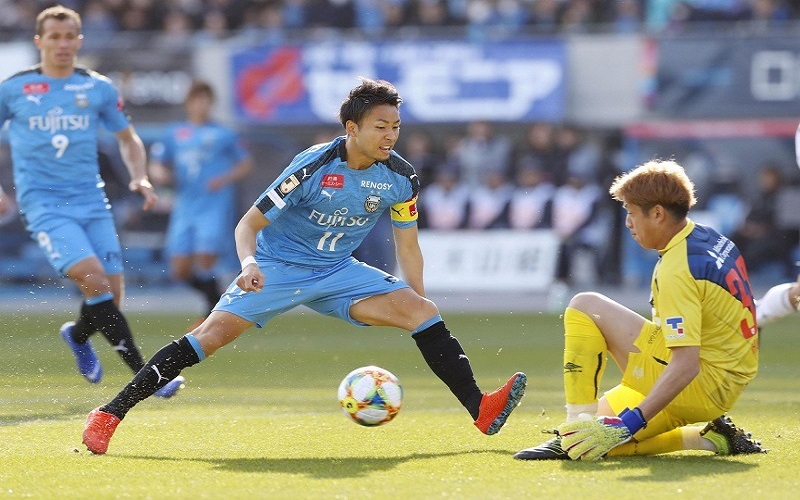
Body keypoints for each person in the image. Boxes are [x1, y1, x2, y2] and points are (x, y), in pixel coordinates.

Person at [82, 78, 527, 454]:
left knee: (423, 314)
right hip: (279, 267)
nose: (390, 135)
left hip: (338, 271)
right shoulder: (311, 166)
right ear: (352, 127)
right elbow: (248, 223)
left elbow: (408, 246)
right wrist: (249, 263)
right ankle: (108, 414)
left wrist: (419, 295)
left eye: (395, 126)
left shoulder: (400, 177)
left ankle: (481, 410)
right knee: (208, 338)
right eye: (380, 126)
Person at [515, 159, 766, 461]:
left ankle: (574, 424)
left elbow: (686, 364)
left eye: (632, 213)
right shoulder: (709, 237)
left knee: (585, 305)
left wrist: (630, 422)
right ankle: (711, 440)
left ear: (658, 214)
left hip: (699, 381)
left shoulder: (677, 268)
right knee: (596, 438)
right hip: (725, 380)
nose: (628, 223)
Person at [0, 5, 183, 397]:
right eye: (54, 37)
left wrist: (139, 175)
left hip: (91, 202)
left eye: (70, 37)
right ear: (39, 42)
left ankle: (78, 336)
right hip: (44, 205)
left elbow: (128, 139)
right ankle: (149, 376)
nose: (63, 44)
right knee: (94, 280)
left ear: (79, 41)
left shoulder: (97, 87)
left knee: (111, 297)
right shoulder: (14, 89)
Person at [149, 80, 253, 322]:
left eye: (205, 100)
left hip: (213, 204)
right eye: (196, 99)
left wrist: (224, 178)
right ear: (188, 103)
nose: (201, 105)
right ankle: (215, 299)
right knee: (179, 269)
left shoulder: (224, 134)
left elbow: (246, 164)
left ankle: (214, 311)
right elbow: (157, 162)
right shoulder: (175, 133)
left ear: (211, 103)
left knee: (206, 256)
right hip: (185, 204)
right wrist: (158, 173)